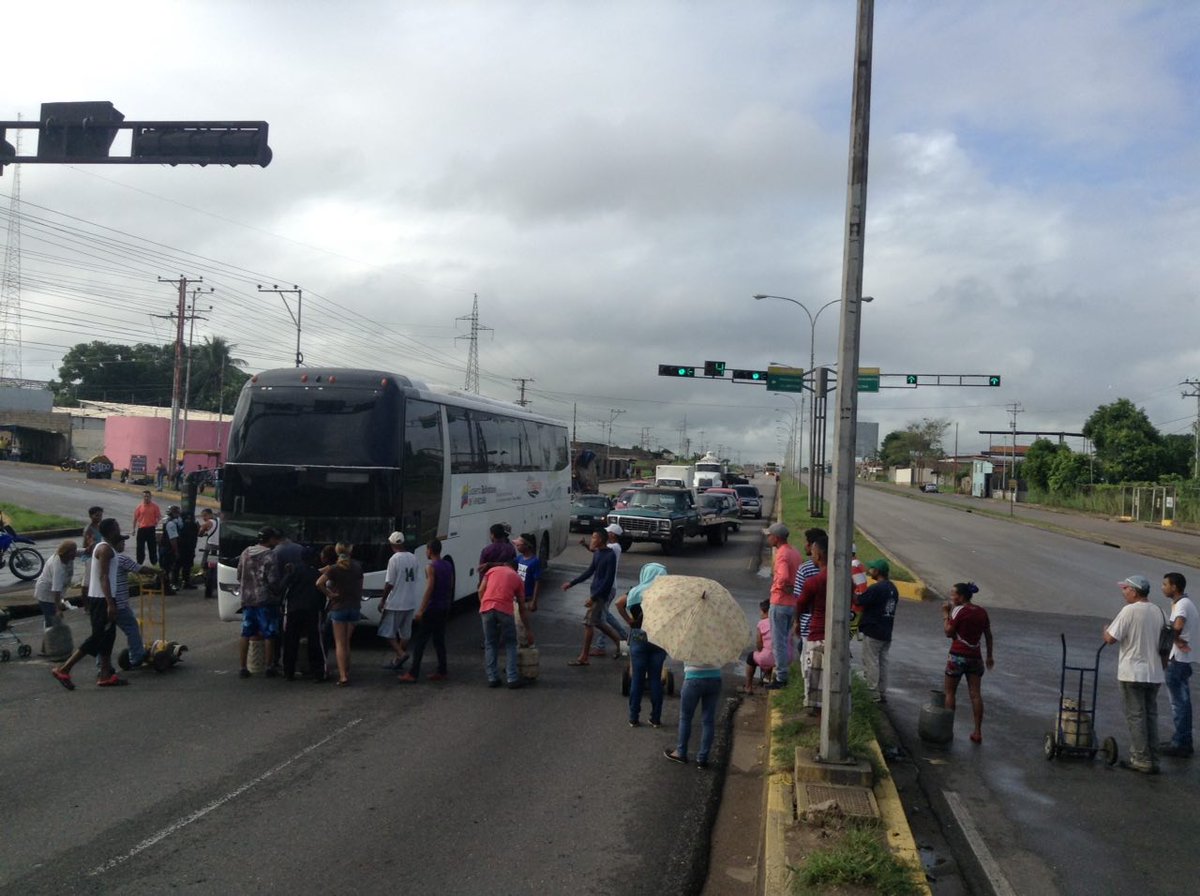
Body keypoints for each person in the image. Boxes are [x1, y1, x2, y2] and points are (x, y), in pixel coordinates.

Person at [50, 518, 126, 689]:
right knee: (98, 637)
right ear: (112, 531)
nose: (119, 531)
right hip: (102, 599)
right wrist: (110, 603)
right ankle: (64, 669)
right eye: (117, 528)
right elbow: (103, 576)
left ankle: (105, 675)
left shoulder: (103, 547)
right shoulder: (105, 549)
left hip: (101, 597)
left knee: (108, 637)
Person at [1102, 574, 1165, 772]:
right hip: (1154, 672)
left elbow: (1111, 638)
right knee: (1151, 715)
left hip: (1133, 672)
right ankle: (1153, 758)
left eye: (1126, 589)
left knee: (1136, 716)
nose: (1123, 592)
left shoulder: (1129, 611)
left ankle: (1140, 758)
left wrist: (1105, 630)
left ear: (1135, 591)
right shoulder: (1159, 612)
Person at [562, 528, 625, 665]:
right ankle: (621, 644)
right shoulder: (598, 553)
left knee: (588, 623)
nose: (592, 540)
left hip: (601, 594)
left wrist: (594, 597)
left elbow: (608, 581)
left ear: (601, 540)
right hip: (596, 592)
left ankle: (584, 657)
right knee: (598, 622)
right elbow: (590, 571)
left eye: (594, 538)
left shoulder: (610, 555)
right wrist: (572, 583)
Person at [617, 561, 668, 726]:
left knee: (637, 678)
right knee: (655, 678)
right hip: (658, 637)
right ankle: (656, 718)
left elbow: (619, 603)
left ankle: (633, 717)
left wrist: (630, 621)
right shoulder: (666, 594)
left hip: (639, 635)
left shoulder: (634, 592)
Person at [943, 581, 995, 745]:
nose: (951, 597)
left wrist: (945, 614)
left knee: (950, 692)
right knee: (975, 694)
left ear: (961, 596)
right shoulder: (981, 612)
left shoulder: (958, 610)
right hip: (976, 657)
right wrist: (989, 656)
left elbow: (949, 632)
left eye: (953, 594)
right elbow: (988, 635)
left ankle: (948, 730)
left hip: (957, 655)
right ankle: (978, 732)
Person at [400, 537, 453, 683]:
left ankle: (413, 673)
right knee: (439, 641)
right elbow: (450, 585)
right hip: (444, 607)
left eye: (426, 550)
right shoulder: (448, 565)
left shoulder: (431, 567)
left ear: (429, 550)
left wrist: (421, 610)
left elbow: (430, 588)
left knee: (420, 642)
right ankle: (442, 670)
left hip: (433, 608)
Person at [478, 558, 534, 688]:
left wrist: (484, 605)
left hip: (487, 609)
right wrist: (528, 630)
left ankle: (492, 678)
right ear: (515, 568)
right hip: (505, 611)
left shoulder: (491, 571)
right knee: (510, 643)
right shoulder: (517, 578)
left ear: (505, 565)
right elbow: (521, 607)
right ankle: (512, 678)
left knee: (490, 643)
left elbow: (481, 590)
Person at [237, 527, 281, 678]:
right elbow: (273, 580)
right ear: (269, 540)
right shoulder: (270, 555)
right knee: (269, 633)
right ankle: (269, 666)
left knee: (246, 632)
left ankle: (243, 667)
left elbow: (239, 574)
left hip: (247, 599)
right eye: (275, 539)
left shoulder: (246, 552)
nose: (276, 541)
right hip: (265, 601)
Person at [318, 542, 364, 686]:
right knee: (347, 642)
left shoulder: (334, 569)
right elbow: (360, 587)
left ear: (337, 552)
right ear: (351, 551)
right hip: (354, 607)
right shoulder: (357, 567)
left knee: (340, 643)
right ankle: (347, 670)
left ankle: (343, 676)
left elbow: (319, 583)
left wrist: (330, 594)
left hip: (339, 607)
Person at [1160, 572, 1196, 758]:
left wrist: (1173, 638)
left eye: (1165, 584)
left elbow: (1178, 625)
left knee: (1178, 703)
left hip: (1178, 660)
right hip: (1183, 659)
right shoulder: (1184, 603)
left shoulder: (1181, 605)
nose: (1162, 587)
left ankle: (1180, 743)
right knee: (1183, 702)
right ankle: (1183, 739)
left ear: (1174, 587)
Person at [280, 546, 327, 682]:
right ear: (314, 558)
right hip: (312, 610)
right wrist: (322, 609)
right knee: (315, 641)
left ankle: (289, 671)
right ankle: (317, 672)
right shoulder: (316, 574)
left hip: (294, 609)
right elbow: (322, 594)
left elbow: (282, 587)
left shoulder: (293, 570)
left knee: (291, 640)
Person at [664, 657, 722, 769]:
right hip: (714, 678)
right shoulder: (718, 639)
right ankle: (702, 758)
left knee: (685, 718)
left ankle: (681, 753)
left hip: (693, 678)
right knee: (708, 720)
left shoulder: (690, 640)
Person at [764, 522, 802, 690]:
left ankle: (781, 677)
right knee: (787, 639)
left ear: (776, 538)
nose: (767, 537)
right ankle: (787, 669)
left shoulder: (782, 554)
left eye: (769, 535)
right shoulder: (794, 552)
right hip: (793, 602)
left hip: (780, 602)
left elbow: (784, 576)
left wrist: (779, 586)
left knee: (778, 641)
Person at [794, 533, 829, 712]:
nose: (812, 554)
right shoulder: (841, 576)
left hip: (814, 630)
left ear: (819, 554)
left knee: (811, 670)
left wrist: (797, 623)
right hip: (836, 633)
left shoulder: (813, 580)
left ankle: (813, 705)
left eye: (814, 552)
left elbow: (799, 602)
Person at [857, 558, 899, 703]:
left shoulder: (877, 588)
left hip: (873, 630)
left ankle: (872, 692)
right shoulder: (893, 588)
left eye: (872, 569)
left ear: (877, 571)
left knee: (871, 662)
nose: (870, 571)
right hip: (886, 631)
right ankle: (882, 692)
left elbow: (860, 601)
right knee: (883, 662)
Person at [379, 532, 423, 670]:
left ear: (392, 544)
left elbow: (389, 583)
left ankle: (400, 654)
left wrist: (383, 600)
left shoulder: (394, 559)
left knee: (386, 631)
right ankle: (398, 660)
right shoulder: (413, 557)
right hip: (410, 602)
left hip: (395, 602)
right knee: (405, 634)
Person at [110, 534, 154, 669]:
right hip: (120, 603)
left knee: (105, 634)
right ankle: (137, 657)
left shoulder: (106, 558)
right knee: (132, 628)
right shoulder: (120, 558)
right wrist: (157, 572)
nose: (123, 545)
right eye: (122, 543)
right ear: (116, 544)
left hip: (107, 602)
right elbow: (140, 569)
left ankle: (102, 665)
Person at [592, 523, 629, 657]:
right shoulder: (613, 547)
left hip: (608, 587)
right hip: (609, 586)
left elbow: (597, 549)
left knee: (601, 618)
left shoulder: (614, 547)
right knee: (606, 616)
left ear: (612, 535)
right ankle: (623, 637)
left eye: (607, 533)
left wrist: (591, 545)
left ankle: (602, 645)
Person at [36, 540, 77, 630]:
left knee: (52, 625)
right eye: (73, 551)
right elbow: (56, 590)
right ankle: (51, 642)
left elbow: (80, 552)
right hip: (47, 595)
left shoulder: (67, 557)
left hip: (53, 593)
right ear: (66, 553)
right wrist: (58, 609)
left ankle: (48, 643)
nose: (75, 553)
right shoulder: (58, 567)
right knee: (52, 624)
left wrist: (89, 549)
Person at [742, 599, 777, 696]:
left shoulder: (762, 623)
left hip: (770, 658)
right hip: (783, 658)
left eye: (760, 611)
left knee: (751, 657)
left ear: (765, 612)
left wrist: (761, 651)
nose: (759, 613)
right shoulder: (780, 621)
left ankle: (748, 687)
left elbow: (759, 643)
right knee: (769, 653)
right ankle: (768, 675)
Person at [515, 533, 542, 612]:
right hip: (516, 597)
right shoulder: (519, 558)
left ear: (527, 546)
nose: (517, 547)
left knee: (521, 622)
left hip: (526, 599)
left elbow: (537, 582)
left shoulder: (535, 562)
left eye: (519, 545)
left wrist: (534, 601)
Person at [132, 490, 162, 565]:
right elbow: (135, 519)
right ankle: (139, 564)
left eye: (148, 496)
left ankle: (154, 563)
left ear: (150, 497)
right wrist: (133, 529)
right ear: (143, 497)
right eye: (145, 496)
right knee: (140, 548)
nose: (146, 498)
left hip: (151, 529)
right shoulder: (139, 507)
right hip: (141, 529)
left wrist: (159, 530)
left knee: (152, 548)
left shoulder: (155, 507)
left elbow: (159, 518)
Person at [158, 505, 182, 594]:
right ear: (174, 513)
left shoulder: (162, 520)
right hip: (168, 549)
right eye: (177, 513)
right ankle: (166, 589)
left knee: (162, 568)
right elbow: (173, 539)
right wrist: (176, 552)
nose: (179, 515)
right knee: (167, 569)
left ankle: (159, 587)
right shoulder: (171, 524)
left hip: (161, 547)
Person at [80, 505, 103, 598]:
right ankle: (86, 606)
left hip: (97, 556)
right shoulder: (89, 529)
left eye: (100, 515)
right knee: (87, 582)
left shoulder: (99, 527)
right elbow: (89, 546)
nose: (99, 518)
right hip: (89, 557)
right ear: (91, 516)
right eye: (97, 515)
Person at [198, 508, 220, 599]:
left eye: (204, 516)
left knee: (205, 566)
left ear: (209, 514)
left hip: (210, 547)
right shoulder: (219, 520)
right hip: (219, 547)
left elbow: (201, 531)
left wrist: (201, 532)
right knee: (216, 567)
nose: (203, 518)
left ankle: (206, 581)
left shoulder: (209, 522)